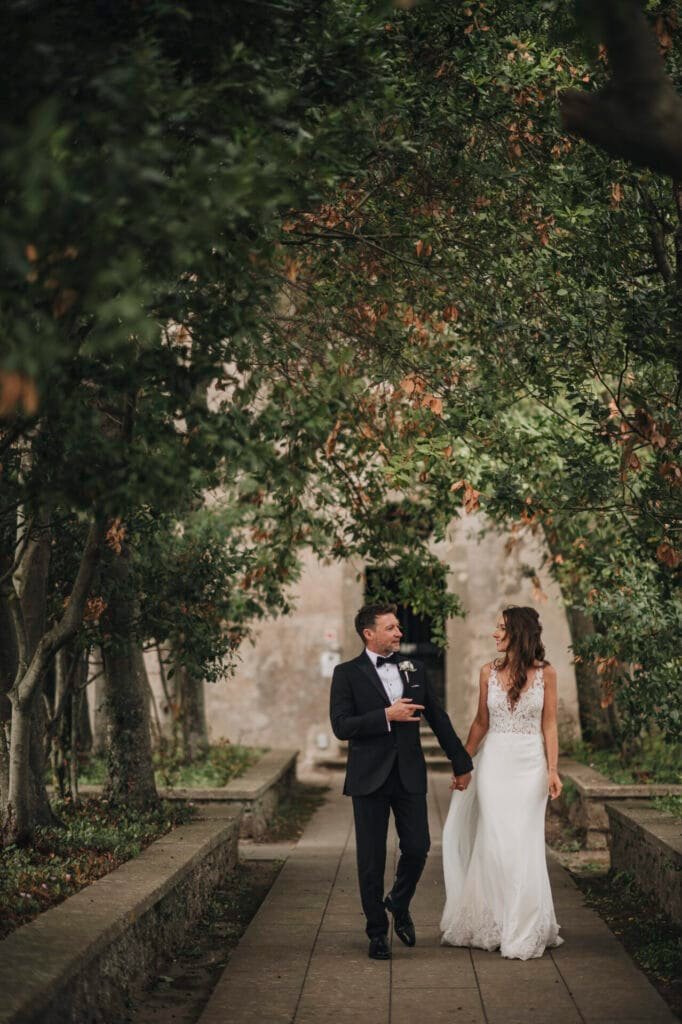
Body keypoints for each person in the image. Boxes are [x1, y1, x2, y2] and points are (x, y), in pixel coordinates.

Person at [330, 602, 473, 960]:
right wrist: (385, 715)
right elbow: (341, 726)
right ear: (370, 633)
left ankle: (399, 900)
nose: (399, 632)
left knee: (418, 846)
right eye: (391, 627)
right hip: (368, 778)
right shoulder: (346, 673)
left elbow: (438, 718)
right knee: (371, 859)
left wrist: (461, 762)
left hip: (409, 773)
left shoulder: (415, 669)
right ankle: (377, 933)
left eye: (397, 627)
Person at [440, 605, 564, 960]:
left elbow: (550, 725)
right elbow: (481, 722)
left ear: (519, 633)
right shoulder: (487, 672)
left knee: (523, 843)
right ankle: (493, 920)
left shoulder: (547, 674)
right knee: (494, 840)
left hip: (530, 766)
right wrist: (462, 761)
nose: (494, 634)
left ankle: (522, 925)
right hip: (494, 764)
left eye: (501, 629)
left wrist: (552, 769)